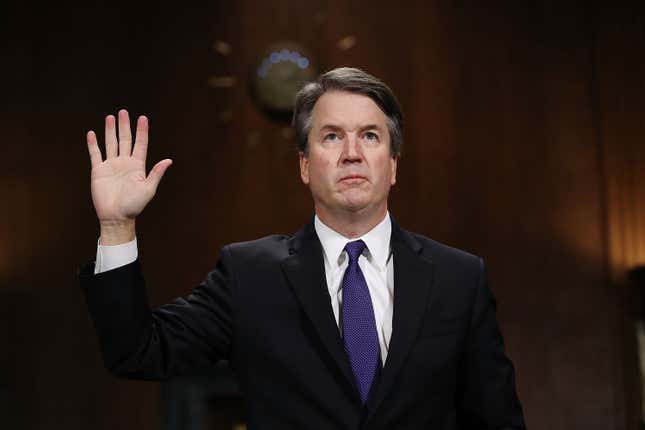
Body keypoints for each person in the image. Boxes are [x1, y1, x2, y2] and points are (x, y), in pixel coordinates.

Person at [80, 67, 526, 429]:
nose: (352, 152)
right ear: (305, 166)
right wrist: (117, 225)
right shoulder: (249, 274)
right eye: (331, 136)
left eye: (370, 136)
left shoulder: (459, 278)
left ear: (392, 165)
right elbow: (139, 352)